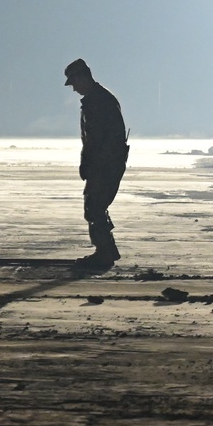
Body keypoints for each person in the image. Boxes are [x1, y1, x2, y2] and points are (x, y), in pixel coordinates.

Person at [64, 58, 129, 269]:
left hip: (105, 165)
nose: (73, 88)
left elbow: (105, 139)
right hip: (102, 164)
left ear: (83, 77)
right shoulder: (96, 100)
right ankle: (107, 250)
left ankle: (104, 254)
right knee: (95, 207)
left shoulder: (100, 101)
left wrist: (96, 164)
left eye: (73, 83)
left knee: (95, 207)